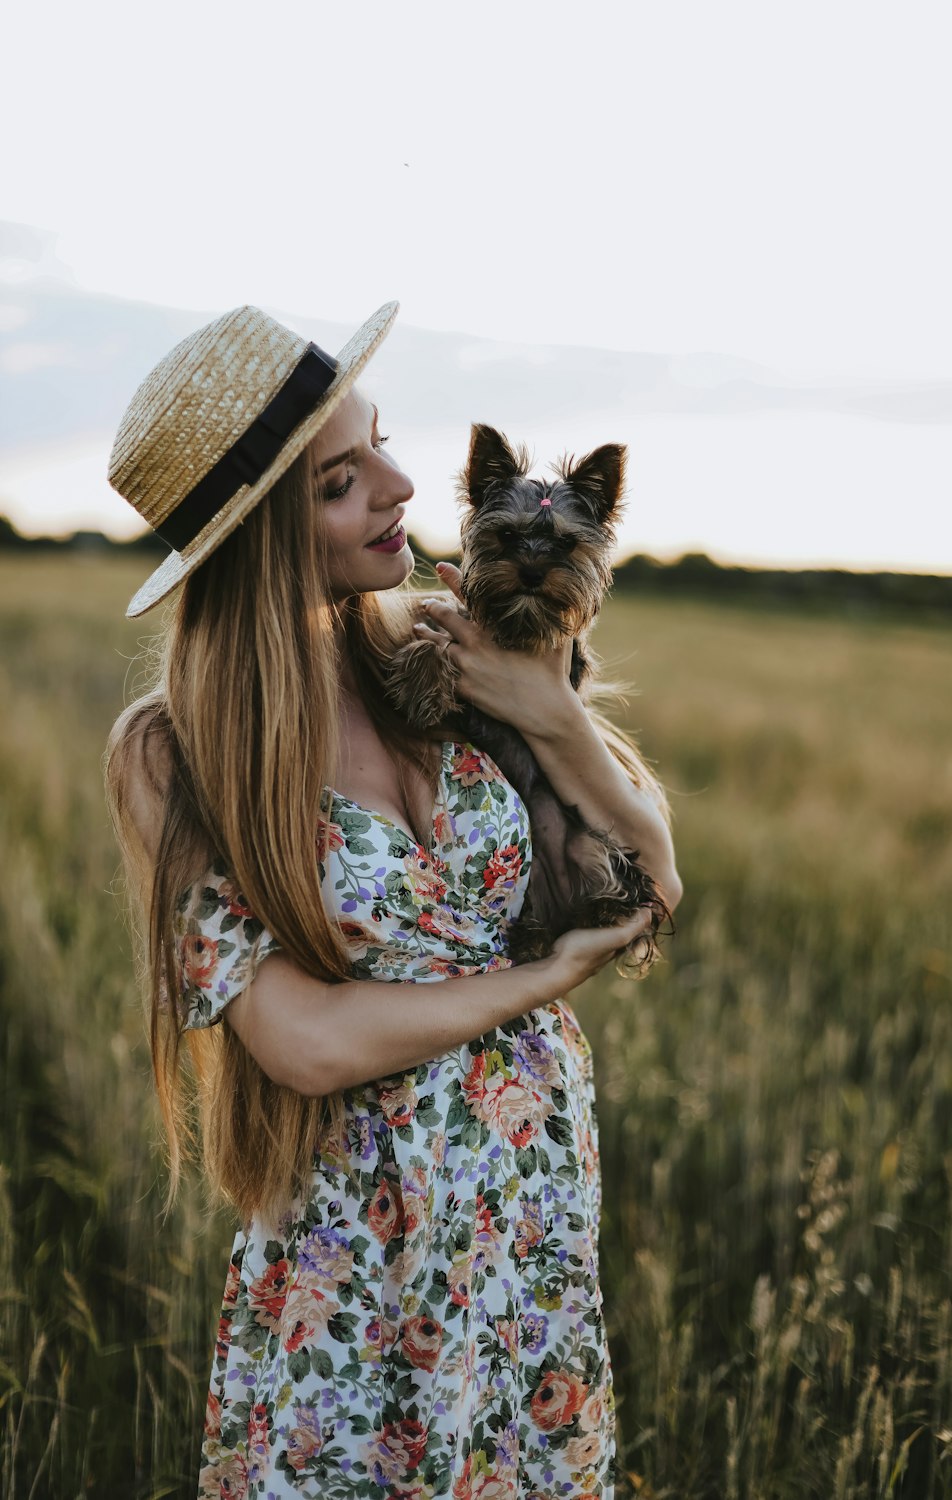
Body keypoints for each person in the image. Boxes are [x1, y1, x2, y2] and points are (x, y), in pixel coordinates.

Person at [103, 300, 682, 1500]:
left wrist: (551, 708)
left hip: (529, 1215)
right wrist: (544, 979)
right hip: (360, 1244)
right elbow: (304, 1044)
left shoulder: (434, 644)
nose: (401, 486)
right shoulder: (172, 753)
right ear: (256, 538)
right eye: (340, 481)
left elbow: (656, 868)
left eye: (382, 444)